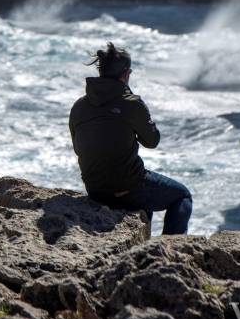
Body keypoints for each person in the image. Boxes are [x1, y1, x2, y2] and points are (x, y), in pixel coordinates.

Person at [69, 42, 192, 234]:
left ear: (101, 72)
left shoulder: (79, 106)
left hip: (95, 189)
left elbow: (78, 148)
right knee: (182, 196)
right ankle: (172, 246)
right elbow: (152, 141)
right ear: (126, 74)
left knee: (145, 204)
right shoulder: (131, 103)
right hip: (128, 188)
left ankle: (144, 240)